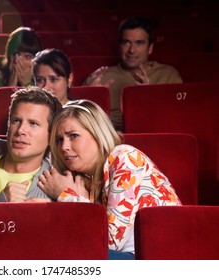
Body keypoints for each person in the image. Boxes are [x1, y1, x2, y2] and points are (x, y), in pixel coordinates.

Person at [37, 99, 182, 260]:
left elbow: (110, 242)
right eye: (59, 140)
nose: (64, 147)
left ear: (98, 135)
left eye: (73, 136)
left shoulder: (125, 157)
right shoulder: (84, 178)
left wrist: (66, 195)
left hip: (160, 258)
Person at [82, 16, 183, 132]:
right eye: (126, 43)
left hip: (153, 134)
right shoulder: (101, 76)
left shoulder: (168, 74)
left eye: (139, 43)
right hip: (109, 135)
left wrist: (150, 98)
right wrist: (93, 96)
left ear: (150, 48)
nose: (132, 50)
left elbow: (176, 119)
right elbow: (80, 119)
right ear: (119, 46)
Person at [0, 27, 42, 132]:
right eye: (17, 54)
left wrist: (26, 83)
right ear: (10, 55)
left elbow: (39, 118)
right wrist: (9, 88)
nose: (19, 61)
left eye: (27, 56)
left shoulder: (41, 80)